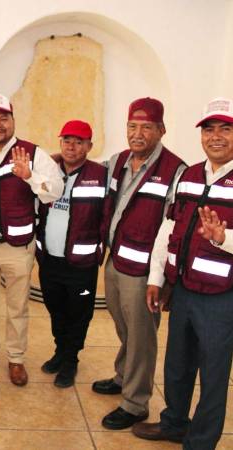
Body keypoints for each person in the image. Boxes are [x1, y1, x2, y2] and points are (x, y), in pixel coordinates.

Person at [133, 98, 233, 449]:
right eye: (209, 129)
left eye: (225, 129)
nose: (216, 137)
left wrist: (224, 239)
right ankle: (174, 423)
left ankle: (201, 441)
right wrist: (157, 279)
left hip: (222, 297)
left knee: (214, 373)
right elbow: (168, 228)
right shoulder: (190, 175)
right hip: (184, 288)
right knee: (177, 364)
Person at [93, 97, 186, 430]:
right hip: (116, 261)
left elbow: (173, 228)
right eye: (133, 126)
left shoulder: (176, 171)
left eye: (146, 127)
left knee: (142, 335)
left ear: (161, 130)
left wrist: (160, 280)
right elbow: (91, 174)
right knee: (123, 325)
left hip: (146, 272)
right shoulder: (118, 161)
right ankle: (123, 375)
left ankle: (135, 403)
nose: (138, 133)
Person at [0, 93, 64, 386]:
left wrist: (30, 175)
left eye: (3, 118)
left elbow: (55, 191)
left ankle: (16, 359)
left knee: (17, 307)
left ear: (12, 120)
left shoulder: (33, 153)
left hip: (18, 247)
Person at [35, 120, 107, 388]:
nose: (72, 146)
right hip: (50, 260)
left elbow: (106, 216)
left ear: (89, 145)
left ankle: (70, 360)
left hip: (81, 264)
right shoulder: (49, 171)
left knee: (79, 313)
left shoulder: (101, 174)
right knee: (56, 309)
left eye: (79, 142)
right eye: (67, 140)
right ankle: (59, 351)